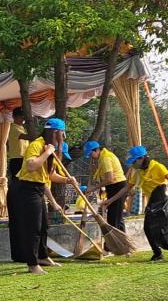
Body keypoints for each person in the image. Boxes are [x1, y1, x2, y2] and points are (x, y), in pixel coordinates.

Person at [10, 117, 71, 274]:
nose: (63, 138)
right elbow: (31, 166)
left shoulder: (49, 148)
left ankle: (43, 257)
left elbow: (48, 176)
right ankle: (32, 263)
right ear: (55, 132)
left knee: (44, 225)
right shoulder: (36, 145)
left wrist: (67, 180)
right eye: (62, 134)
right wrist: (47, 152)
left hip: (38, 188)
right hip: (26, 189)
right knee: (33, 227)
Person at [111, 145, 168, 262]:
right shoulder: (136, 172)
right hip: (154, 203)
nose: (132, 164)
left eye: (134, 161)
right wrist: (110, 201)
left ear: (141, 158)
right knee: (148, 227)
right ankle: (157, 253)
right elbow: (126, 189)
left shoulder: (157, 166)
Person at [84, 140, 127, 232]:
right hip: (113, 187)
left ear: (96, 150)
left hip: (117, 186)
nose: (91, 157)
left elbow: (109, 179)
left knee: (113, 218)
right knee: (116, 217)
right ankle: (122, 242)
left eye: (91, 154)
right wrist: (94, 168)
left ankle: (116, 242)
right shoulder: (102, 157)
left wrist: (93, 188)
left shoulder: (105, 158)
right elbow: (101, 175)